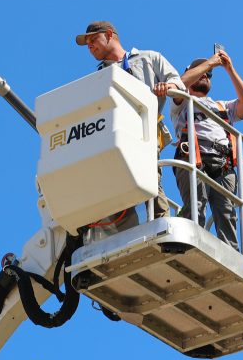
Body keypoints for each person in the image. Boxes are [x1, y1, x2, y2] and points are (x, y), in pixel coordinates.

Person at [74, 21, 184, 230]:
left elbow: (178, 84)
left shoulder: (148, 58)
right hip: (113, 137)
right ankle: (128, 234)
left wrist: (166, 87)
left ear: (109, 35)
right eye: (87, 44)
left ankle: (160, 226)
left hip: (144, 133)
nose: (90, 47)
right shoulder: (99, 77)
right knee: (116, 190)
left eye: (93, 40)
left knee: (149, 183)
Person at [171, 50, 243, 250]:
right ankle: (190, 247)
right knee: (196, 208)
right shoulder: (181, 101)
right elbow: (180, 83)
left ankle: (231, 256)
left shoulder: (222, 106)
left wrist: (229, 68)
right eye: (201, 72)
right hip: (194, 158)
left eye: (208, 75)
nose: (206, 76)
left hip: (223, 166)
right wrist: (210, 62)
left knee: (227, 216)